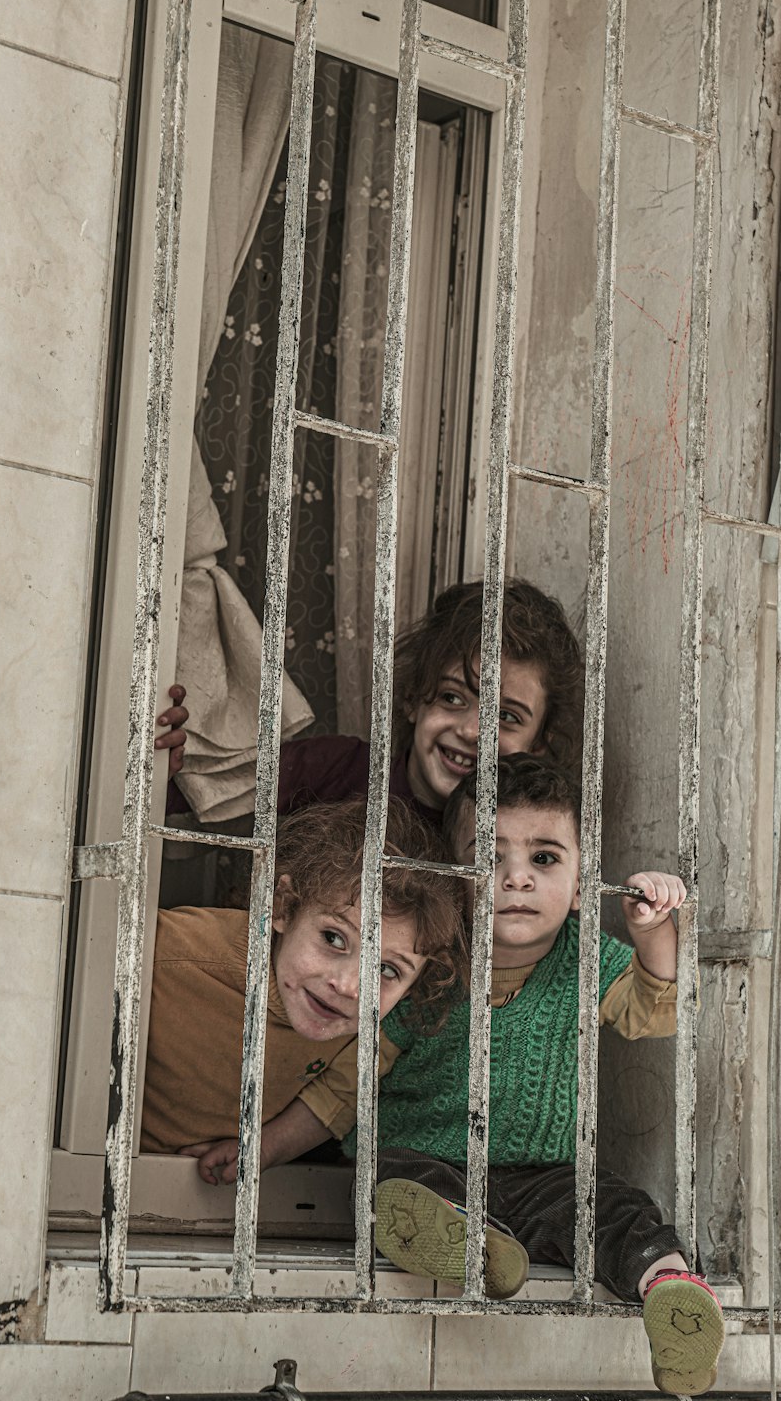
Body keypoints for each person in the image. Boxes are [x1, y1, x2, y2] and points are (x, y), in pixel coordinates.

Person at [241, 756, 723, 1397]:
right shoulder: (427, 967)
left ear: (582, 885)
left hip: (541, 1176)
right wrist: (262, 1150)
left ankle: (671, 1288)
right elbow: (345, 1087)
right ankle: (471, 1243)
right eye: (488, 856)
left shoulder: (587, 959)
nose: (516, 878)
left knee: (616, 1208)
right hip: (427, 1164)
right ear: (452, 877)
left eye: (545, 859)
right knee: (394, 1185)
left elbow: (657, 1009)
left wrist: (656, 926)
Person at [138, 796, 467, 1158]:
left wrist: (259, 1151)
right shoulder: (168, 953)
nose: (348, 986)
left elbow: (338, 1094)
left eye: (387, 970)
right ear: (283, 907)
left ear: (412, 987)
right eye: (333, 938)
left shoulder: (375, 1032)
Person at [165, 577, 584, 826]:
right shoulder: (336, 770)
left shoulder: (523, 842)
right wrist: (168, 766)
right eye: (452, 697)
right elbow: (193, 803)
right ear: (411, 699)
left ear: (539, 744)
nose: (472, 730)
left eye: (508, 717)